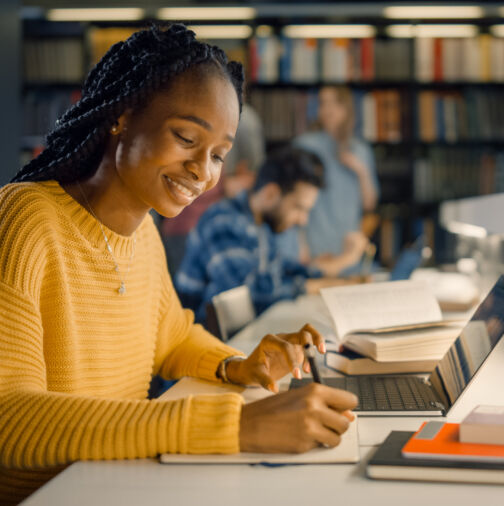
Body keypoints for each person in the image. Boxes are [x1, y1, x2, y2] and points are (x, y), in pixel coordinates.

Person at [0, 25, 356, 506]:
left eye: (218, 156)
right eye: (187, 138)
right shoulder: (24, 218)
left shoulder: (143, 232)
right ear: (121, 117)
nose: (203, 172)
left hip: (120, 480)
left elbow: (171, 337)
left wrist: (238, 366)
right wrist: (234, 426)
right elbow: (10, 419)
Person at [175, 146, 366, 323]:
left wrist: (332, 275)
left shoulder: (260, 225)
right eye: (299, 208)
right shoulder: (223, 222)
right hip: (202, 343)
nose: (303, 220)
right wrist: (320, 284)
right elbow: (247, 294)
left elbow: (279, 270)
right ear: (271, 193)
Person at [160, 102, 265, 276]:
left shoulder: (241, 121)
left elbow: (247, 176)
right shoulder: (242, 119)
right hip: (187, 227)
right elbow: (240, 183)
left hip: (194, 226)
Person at [293, 85, 380, 266]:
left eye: (335, 103)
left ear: (347, 108)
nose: (329, 110)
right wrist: (299, 244)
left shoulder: (360, 151)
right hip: (315, 245)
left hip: (349, 247)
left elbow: (369, 204)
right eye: (323, 103)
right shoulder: (305, 146)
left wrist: (361, 171)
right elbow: (292, 200)